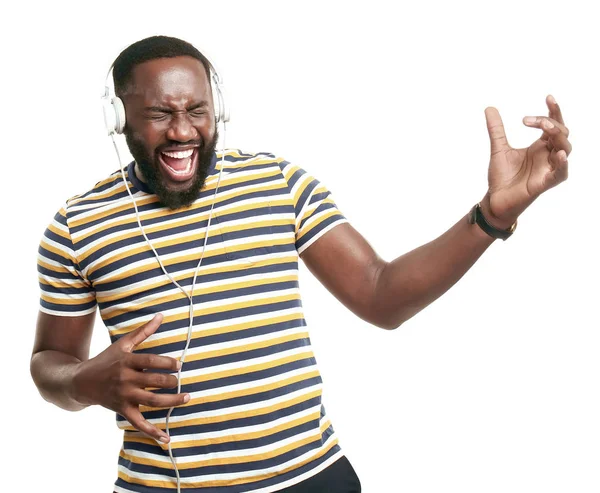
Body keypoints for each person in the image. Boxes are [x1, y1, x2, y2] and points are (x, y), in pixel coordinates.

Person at [30, 35, 571, 493]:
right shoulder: (77, 226)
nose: (182, 131)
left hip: (311, 479)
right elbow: (48, 361)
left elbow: (382, 295)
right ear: (117, 118)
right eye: (159, 114)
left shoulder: (278, 184)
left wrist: (491, 216)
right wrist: (81, 380)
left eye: (196, 111)